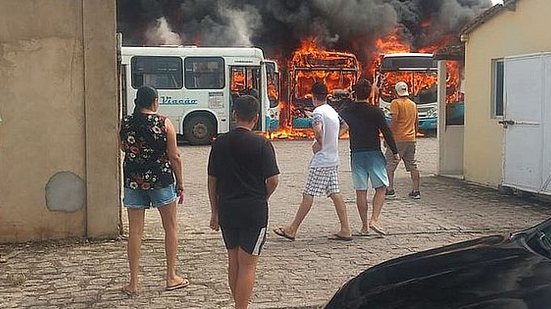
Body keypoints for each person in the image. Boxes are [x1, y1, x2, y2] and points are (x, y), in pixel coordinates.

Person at [207, 95, 280, 309]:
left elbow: (212, 180)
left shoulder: (219, 143)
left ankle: (238, 304)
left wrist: (214, 210)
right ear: (256, 118)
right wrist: (262, 196)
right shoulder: (262, 144)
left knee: (233, 261)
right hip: (253, 210)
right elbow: (273, 180)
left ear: (234, 115)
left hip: (227, 208)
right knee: (248, 265)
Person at [119, 86, 188, 295]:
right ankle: (171, 276)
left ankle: (133, 282)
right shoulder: (163, 122)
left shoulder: (126, 122)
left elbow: (123, 147)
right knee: (170, 228)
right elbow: (174, 156)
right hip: (161, 179)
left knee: (135, 232)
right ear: (155, 101)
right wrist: (180, 183)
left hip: (133, 180)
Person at [273, 82, 352, 241]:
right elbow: (346, 125)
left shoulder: (318, 112)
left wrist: (320, 142)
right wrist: (332, 139)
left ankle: (292, 229)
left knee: (308, 193)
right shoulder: (332, 110)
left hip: (322, 160)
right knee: (334, 193)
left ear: (313, 96)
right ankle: (345, 229)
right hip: (333, 158)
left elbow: (317, 129)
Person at [339, 79, 399, 235]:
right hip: (373, 152)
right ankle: (375, 219)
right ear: (370, 93)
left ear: (355, 92)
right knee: (381, 188)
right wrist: (395, 151)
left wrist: (349, 99)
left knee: (361, 191)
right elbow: (386, 131)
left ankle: (364, 226)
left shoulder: (348, 111)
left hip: (357, 154)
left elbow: (340, 112)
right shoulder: (376, 111)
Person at [385, 81, 421, 199]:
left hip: (397, 139)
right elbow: (416, 122)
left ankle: (390, 190)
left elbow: (394, 121)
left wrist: (388, 137)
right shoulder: (413, 104)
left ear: (396, 92)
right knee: (412, 165)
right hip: (410, 139)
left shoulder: (395, 103)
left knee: (390, 164)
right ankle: (416, 191)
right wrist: (414, 135)